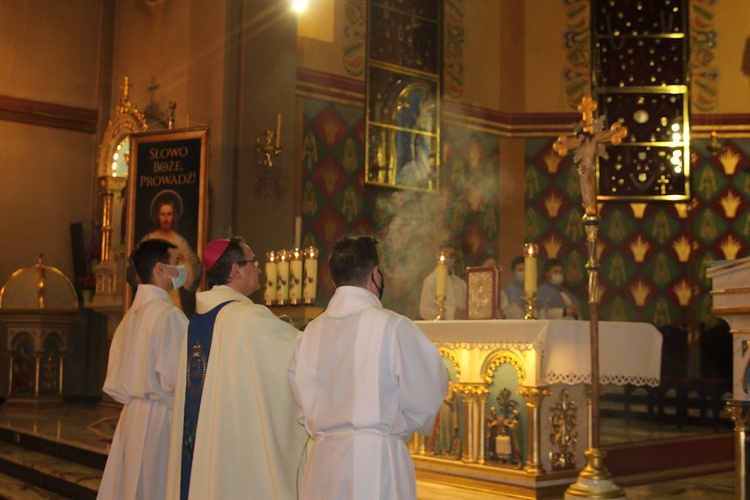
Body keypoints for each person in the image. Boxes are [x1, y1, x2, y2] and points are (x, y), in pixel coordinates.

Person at [289, 235, 448, 499]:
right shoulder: (393, 326)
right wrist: (397, 427)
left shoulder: (310, 333)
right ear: (376, 274)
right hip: (376, 461)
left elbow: (301, 407)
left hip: (323, 461)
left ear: (333, 280)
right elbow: (428, 393)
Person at [165, 237, 308, 500]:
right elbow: (299, 357)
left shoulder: (196, 322)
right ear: (235, 270)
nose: (260, 269)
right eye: (255, 262)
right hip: (234, 445)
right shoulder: (247, 318)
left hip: (207, 445)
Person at [98, 239, 189, 500]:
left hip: (132, 417)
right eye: (175, 264)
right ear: (160, 270)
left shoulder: (130, 316)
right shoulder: (167, 315)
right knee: (155, 487)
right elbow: (178, 378)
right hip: (160, 420)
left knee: (131, 488)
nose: (179, 270)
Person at [140, 190, 202, 316]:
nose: (166, 218)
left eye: (169, 214)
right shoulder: (148, 239)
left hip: (172, 296)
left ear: (174, 216)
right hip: (151, 296)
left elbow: (189, 273)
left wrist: (183, 262)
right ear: (158, 215)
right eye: (162, 214)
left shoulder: (179, 241)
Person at [419, 242, 467, 320]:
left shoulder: (461, 284)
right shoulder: (431, 281)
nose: (449, 259)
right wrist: (451, 312)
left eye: (452, 256)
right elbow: (425, 311)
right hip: (439, 329)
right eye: (446, 255)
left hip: (459, 328)